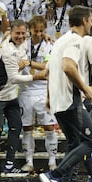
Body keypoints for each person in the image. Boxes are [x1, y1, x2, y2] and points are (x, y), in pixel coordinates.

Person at [39, 5, 92, 182]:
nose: (91, 23)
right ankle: (54, 175)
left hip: (58, 101)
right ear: (85, 21)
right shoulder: (75, 40)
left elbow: (49, 72)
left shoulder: (60, 41)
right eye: (91, 19)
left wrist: (49, 97)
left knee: (75, 142)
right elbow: (67, 66)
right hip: (70, 101)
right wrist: (85, 88)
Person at [0, 20, 45, 178]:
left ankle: (9, 165)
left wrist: (46, 37)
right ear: (10, 33)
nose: (20, 36)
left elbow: (33, 41)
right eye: (17, 33)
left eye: (23, 33)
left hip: (11, 95)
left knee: (16, 127)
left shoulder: (23, 43)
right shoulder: (7, 50)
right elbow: (14, 78)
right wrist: (37, 76)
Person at [18, 15, 58, 172]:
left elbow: (48, 66)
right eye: (36, 31)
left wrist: (30, 63)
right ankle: (29, 162)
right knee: (27, 128)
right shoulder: (21, 43)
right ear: (29, 30)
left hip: (43, 89)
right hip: (25, 89)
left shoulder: (49, 45)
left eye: (42, 31)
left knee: (49, 127)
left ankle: (52, 162)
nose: (39, 34)